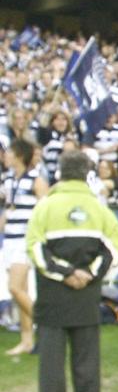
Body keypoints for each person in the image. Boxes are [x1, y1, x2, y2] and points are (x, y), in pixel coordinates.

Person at [20, 149, 118, 392]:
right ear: (86, 173)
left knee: (51, 363)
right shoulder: (100, 208)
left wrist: (65, 273)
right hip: (87, 295)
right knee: (87, 361)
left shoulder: (46, 207)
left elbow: (35, 248)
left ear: (60, 173)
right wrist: (88, 274)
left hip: (53, 295)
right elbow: (113, 247)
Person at [3, 137, 48, 356]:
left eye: (10, 152)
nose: (6, 156)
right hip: (10, 238)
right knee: (22, 291)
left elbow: (45, 209)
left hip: (24, 240)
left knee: (15, 288)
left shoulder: (35, 179)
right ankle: (27, 340)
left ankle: (45, 326)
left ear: (20, 155)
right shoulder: (9, 179)